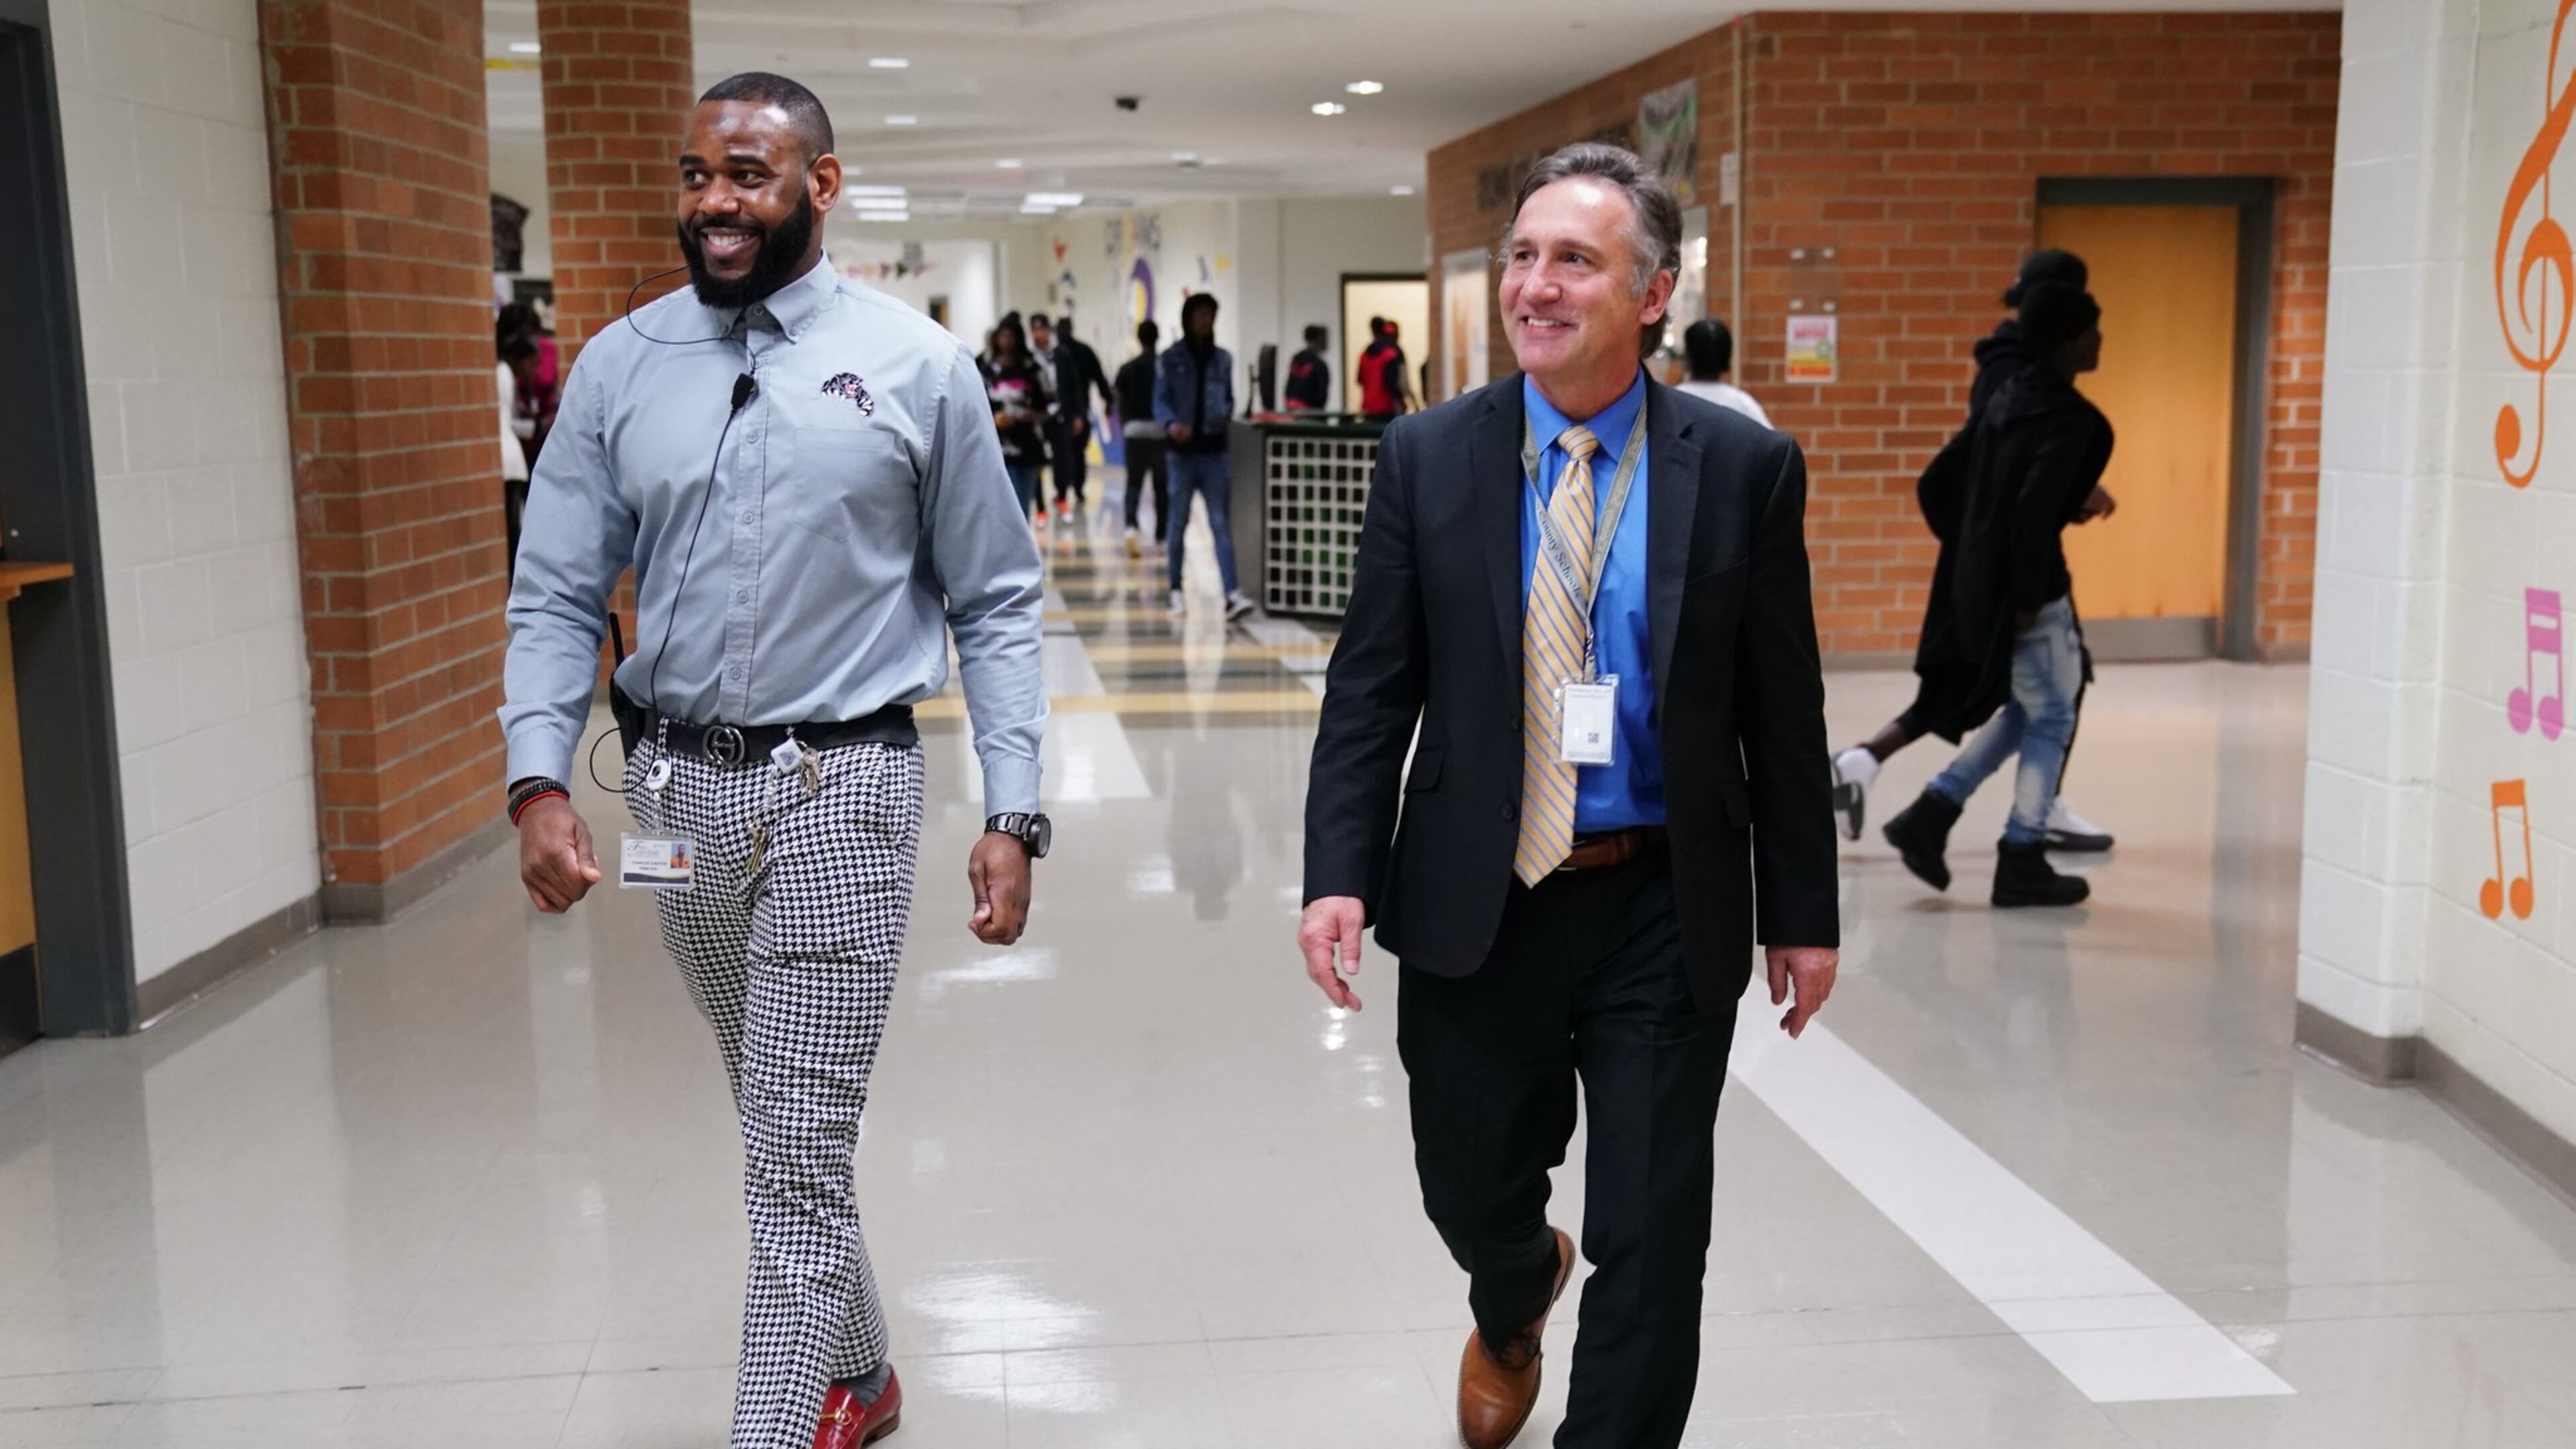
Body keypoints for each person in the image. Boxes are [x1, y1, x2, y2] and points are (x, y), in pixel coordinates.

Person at [499, 72, 1052, 1449]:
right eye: (697, 176)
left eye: (747, 173)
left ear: (821, 183)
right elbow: (558, 588)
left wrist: (1016, 806)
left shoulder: (915, 365)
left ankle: (775, 1423)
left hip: (842, 792)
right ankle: (862, 1373)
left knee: (792, 1147)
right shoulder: (625, 366)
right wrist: (538, 775)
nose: (715, 203)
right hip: (679, 798)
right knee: (776, 1118)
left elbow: (995, 598)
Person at [1297, 142, 1839, 1449]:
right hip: (1480, 896)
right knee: (1469, 1180)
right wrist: (1337, 869)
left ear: (1652, 294)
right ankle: (1512, 1280)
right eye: (1524, 257)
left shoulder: (1740, 469)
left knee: (1655, 1237)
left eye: (1574, 261)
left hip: (1661, 898)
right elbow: (1373, 687)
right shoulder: (1431, 456)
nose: (1535, 285)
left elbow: (1782, 701)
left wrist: (1804, 909)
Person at [1827, 250, 2114, 853]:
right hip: (2008, 569)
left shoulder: (2010, 371)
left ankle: (1924, 799)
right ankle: (2006, 817)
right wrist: (1988, 549)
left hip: (1990, 562)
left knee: (2009, 694)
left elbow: (1965, 479)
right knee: (2021, 695)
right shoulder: (2025, 382)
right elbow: (2008, 486)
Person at [1154, 292, 1256, 619]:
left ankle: (1232, 593)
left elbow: (1228, 398)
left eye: (1210, 314)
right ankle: (1175, 589)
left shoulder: (1223, 359)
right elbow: (1160, 401)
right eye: (1199, 314)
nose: (1205, 320)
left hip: (1214, 455)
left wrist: (1221, 416)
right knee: (1177, 524)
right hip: (1181, 456)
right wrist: (1172, 425)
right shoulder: (1171, 358)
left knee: (1220, 524)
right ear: (1188, 317)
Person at [1030, 311, 1112, 525]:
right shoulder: (1028, 358)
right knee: (1038, 458)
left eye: (1043, 329)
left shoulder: (1064, 355)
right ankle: (1041, 504)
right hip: (1037, 416)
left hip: (1062, 413)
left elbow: (1079, 384)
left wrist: (1079, 413)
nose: (1040, 334)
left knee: (1066, 455)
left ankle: (1064, 493)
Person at [982, 313, 1051, 522]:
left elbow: (1049, 404)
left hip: (1029, 445)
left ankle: (1022, 544)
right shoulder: (988, 370)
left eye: (1012, 336)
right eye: (1003, 336)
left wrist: (1034, 416)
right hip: (1000, 447)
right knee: (1008, 502)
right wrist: (994, 420)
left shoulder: (1032, 369)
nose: (1007, 341)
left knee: (1023, 503)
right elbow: (977, 407)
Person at [1115, 319, 1169, 559]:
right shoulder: (1164, 367)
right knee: (1161, 486)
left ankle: (1130, 528)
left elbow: (1119, 400)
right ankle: (1161, 537)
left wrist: (1125, 424)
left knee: (1134, 484)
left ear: (1139, 338)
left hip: (1134, 432)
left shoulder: (1128, 368)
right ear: (1157, 338)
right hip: (1159, 433)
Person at [1672, 318, 1770, 427]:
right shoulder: (1742, 404)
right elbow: (1772, 441)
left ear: (1688, 356)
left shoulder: (1670, 403)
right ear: (1727, 356)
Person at [497, 330, 536, 575]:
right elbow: (504, 418)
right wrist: (532, 428)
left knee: (513, 527)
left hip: (509, 457)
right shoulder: (503, 374)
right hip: (509, 457)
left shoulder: (502, 373)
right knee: (512, 529)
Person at [1356, 315, 1411, 420]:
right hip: (1387, 409)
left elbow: (1359, 380)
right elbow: (1393, 384)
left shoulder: (1364, 355)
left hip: (1368, 408)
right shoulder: (1391, 354)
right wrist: (1403, 402)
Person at [1284, 323, 1332, 410]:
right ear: (1319, 339)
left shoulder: (1296, 359)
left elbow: (1289, 387)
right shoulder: (1319, 364)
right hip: (1310, 412)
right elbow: (1321, 395)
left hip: (1291, 410)